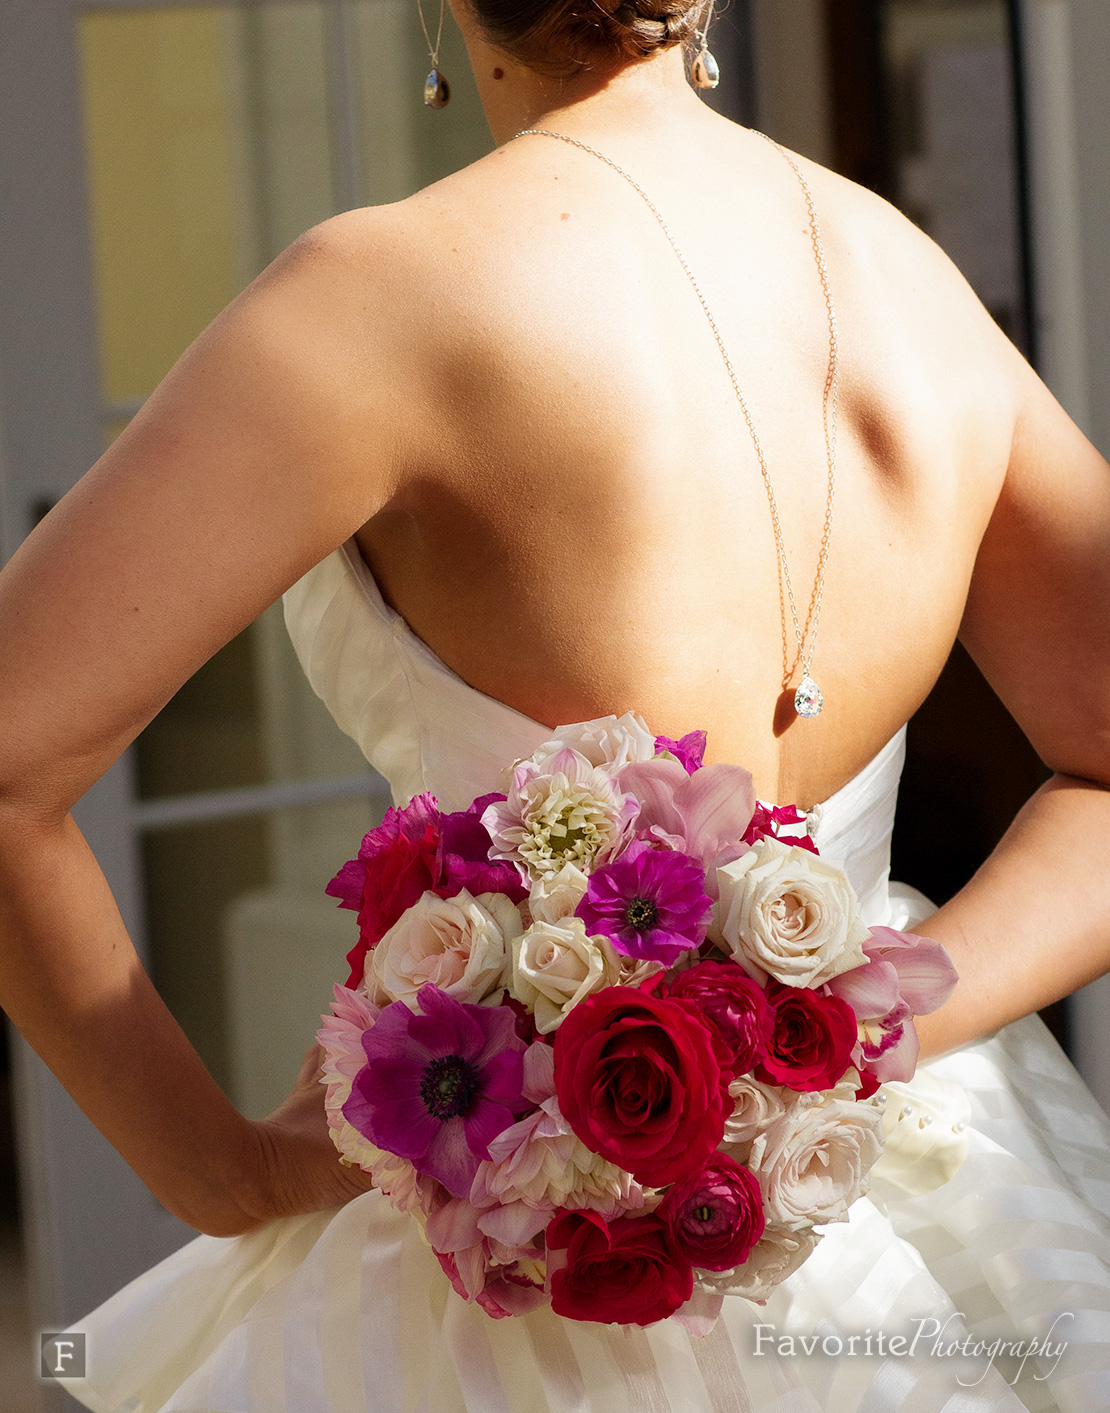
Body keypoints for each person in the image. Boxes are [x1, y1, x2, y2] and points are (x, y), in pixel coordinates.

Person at [1, 0, 1109, 1407]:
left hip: (499, 1247)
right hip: (899, 1202)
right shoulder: (907, 280)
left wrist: (216, 1168)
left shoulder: (377, 297)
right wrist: (853, 1029)